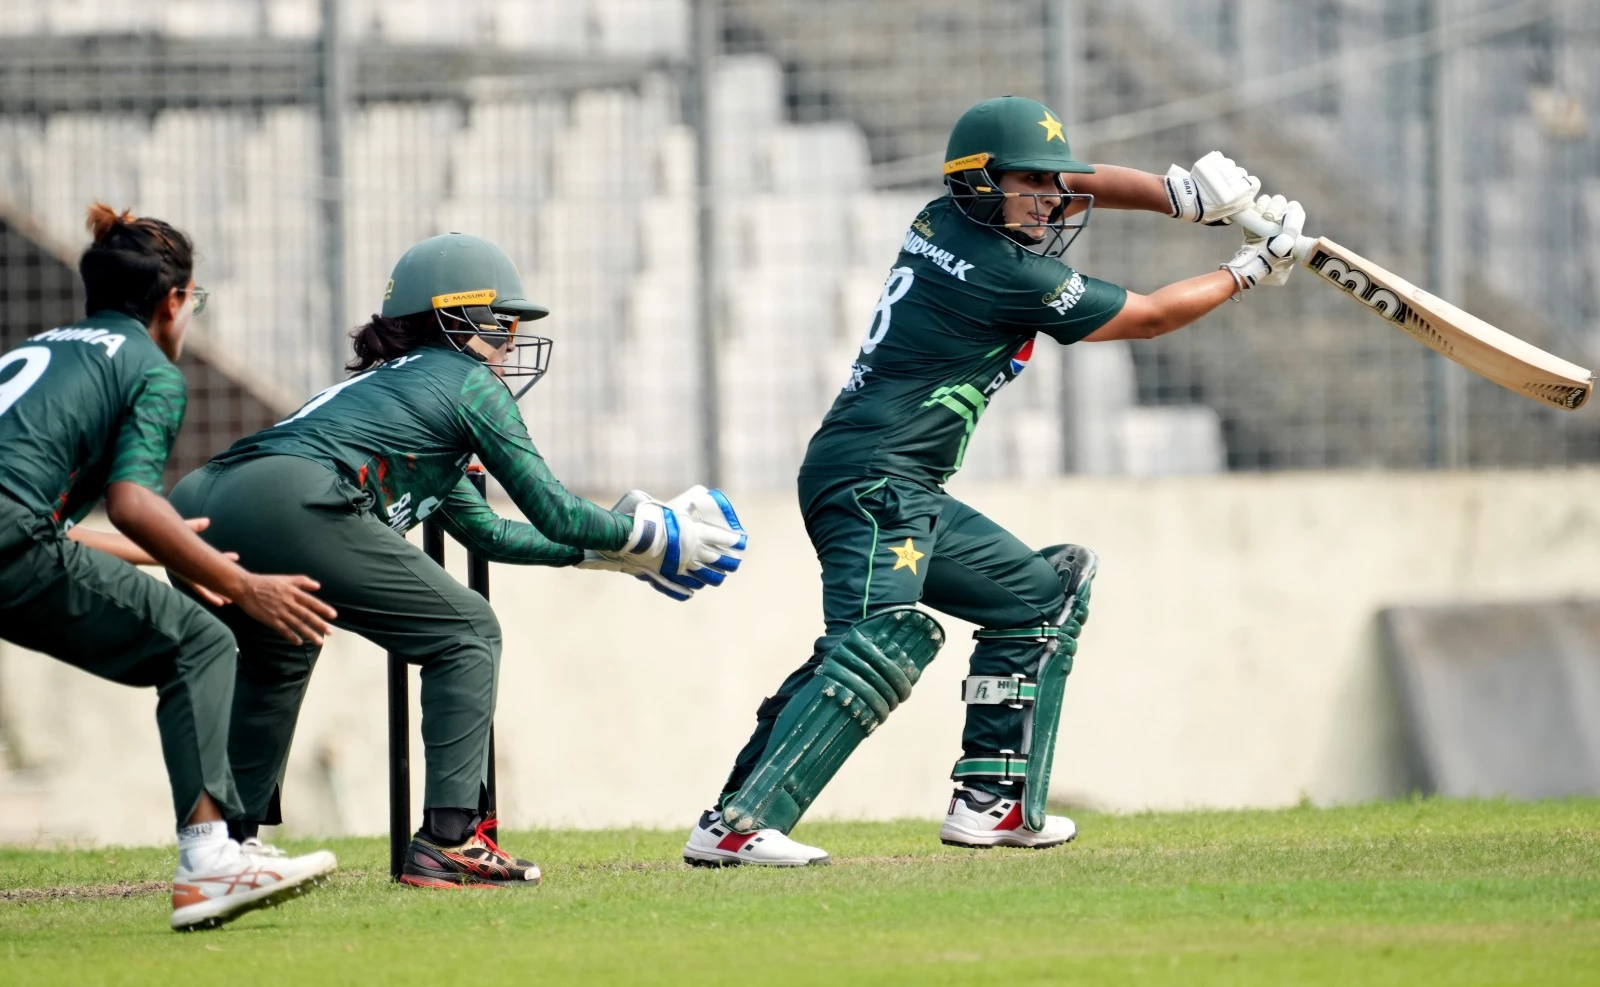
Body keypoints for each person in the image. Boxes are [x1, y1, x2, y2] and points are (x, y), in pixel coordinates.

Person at [682, 96, 1305, 866]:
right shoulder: (1005, 272)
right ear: (981, 183)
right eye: (1030, 184)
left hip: (896, 480)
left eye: (1053, 184)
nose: (1050, 199)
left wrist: (1182, 197)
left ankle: (991, 803)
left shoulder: (942, 219)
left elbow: (1081, 183)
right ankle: (737, 823)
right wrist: (1247, 268)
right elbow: (1146, 317)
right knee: (872, 645)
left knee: (1042, 594)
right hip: (875, 479)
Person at [168, 232, 745, 889]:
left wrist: (614, 554)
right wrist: (652, 533)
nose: (510, 343)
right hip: (290, 498)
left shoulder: (395, 394)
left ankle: (228, 846)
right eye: (503, 323)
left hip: (203, 502)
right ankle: (449, 840)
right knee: (466, 631)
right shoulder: (464, 381)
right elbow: (554, 508)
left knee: (284, 648)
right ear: (456, 316)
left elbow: (490, 534)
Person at [0, 203, 340, 930]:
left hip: (13, 542)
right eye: (194, 301)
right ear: (174, 300)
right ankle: (211, 861)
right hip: (12, 545)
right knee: (201, 641)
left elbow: (46, 525)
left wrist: (175, 544)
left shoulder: (44, 351)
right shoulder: (149, 369)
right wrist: (243, 582)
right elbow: (129, 502)